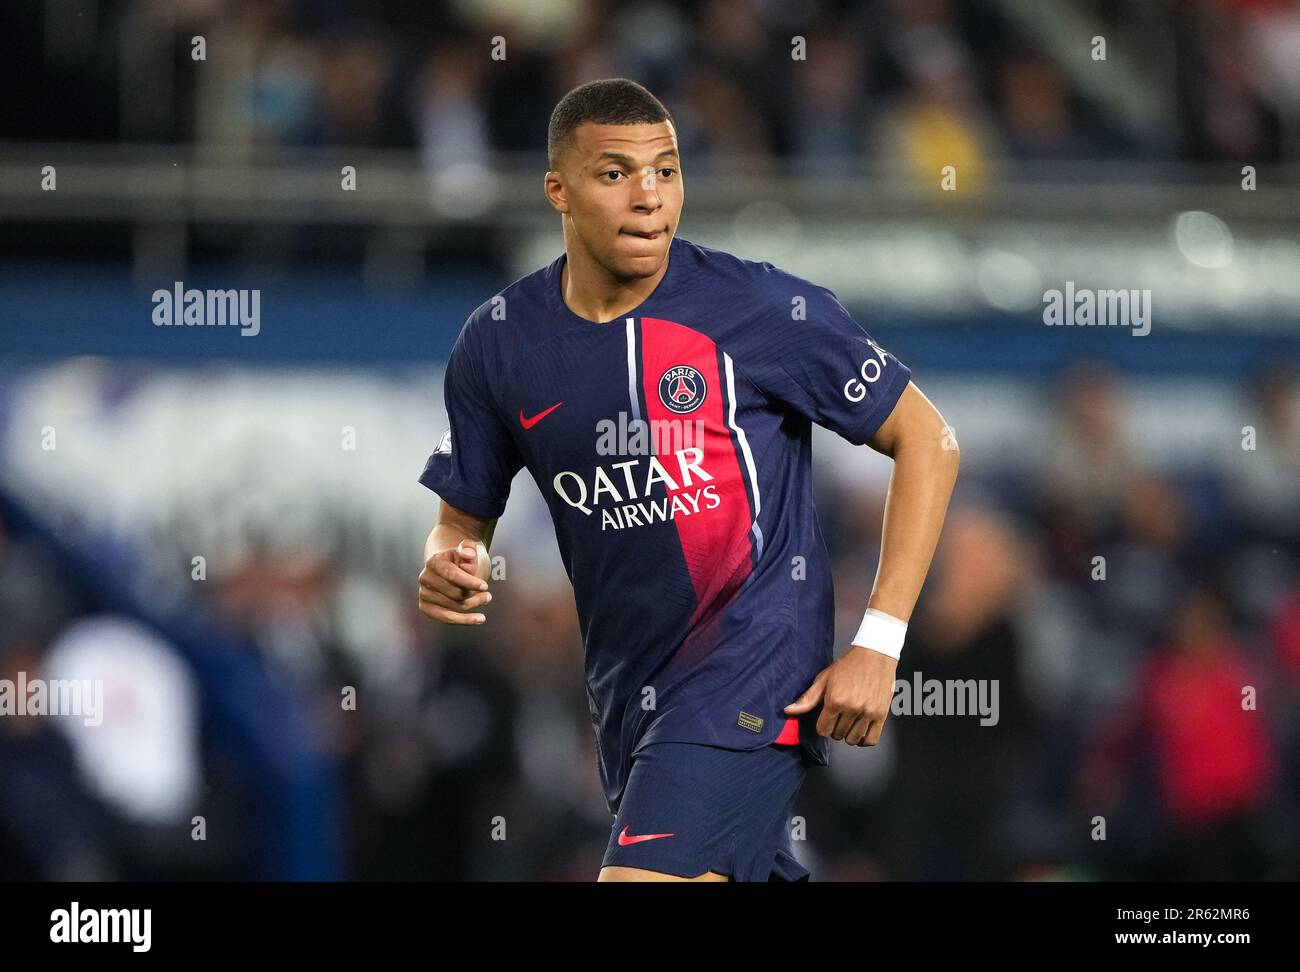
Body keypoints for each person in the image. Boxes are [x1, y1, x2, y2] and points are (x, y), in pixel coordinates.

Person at [416, 78, 960, 881]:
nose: (649, 198)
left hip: (752, 673)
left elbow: (928, 438)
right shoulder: (500, 344)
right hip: (629, 701)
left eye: (666, 171)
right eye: (616, 174)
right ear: (558, 191)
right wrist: (450, 561)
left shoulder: (763, 309)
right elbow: (464, 519)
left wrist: (878, 643)